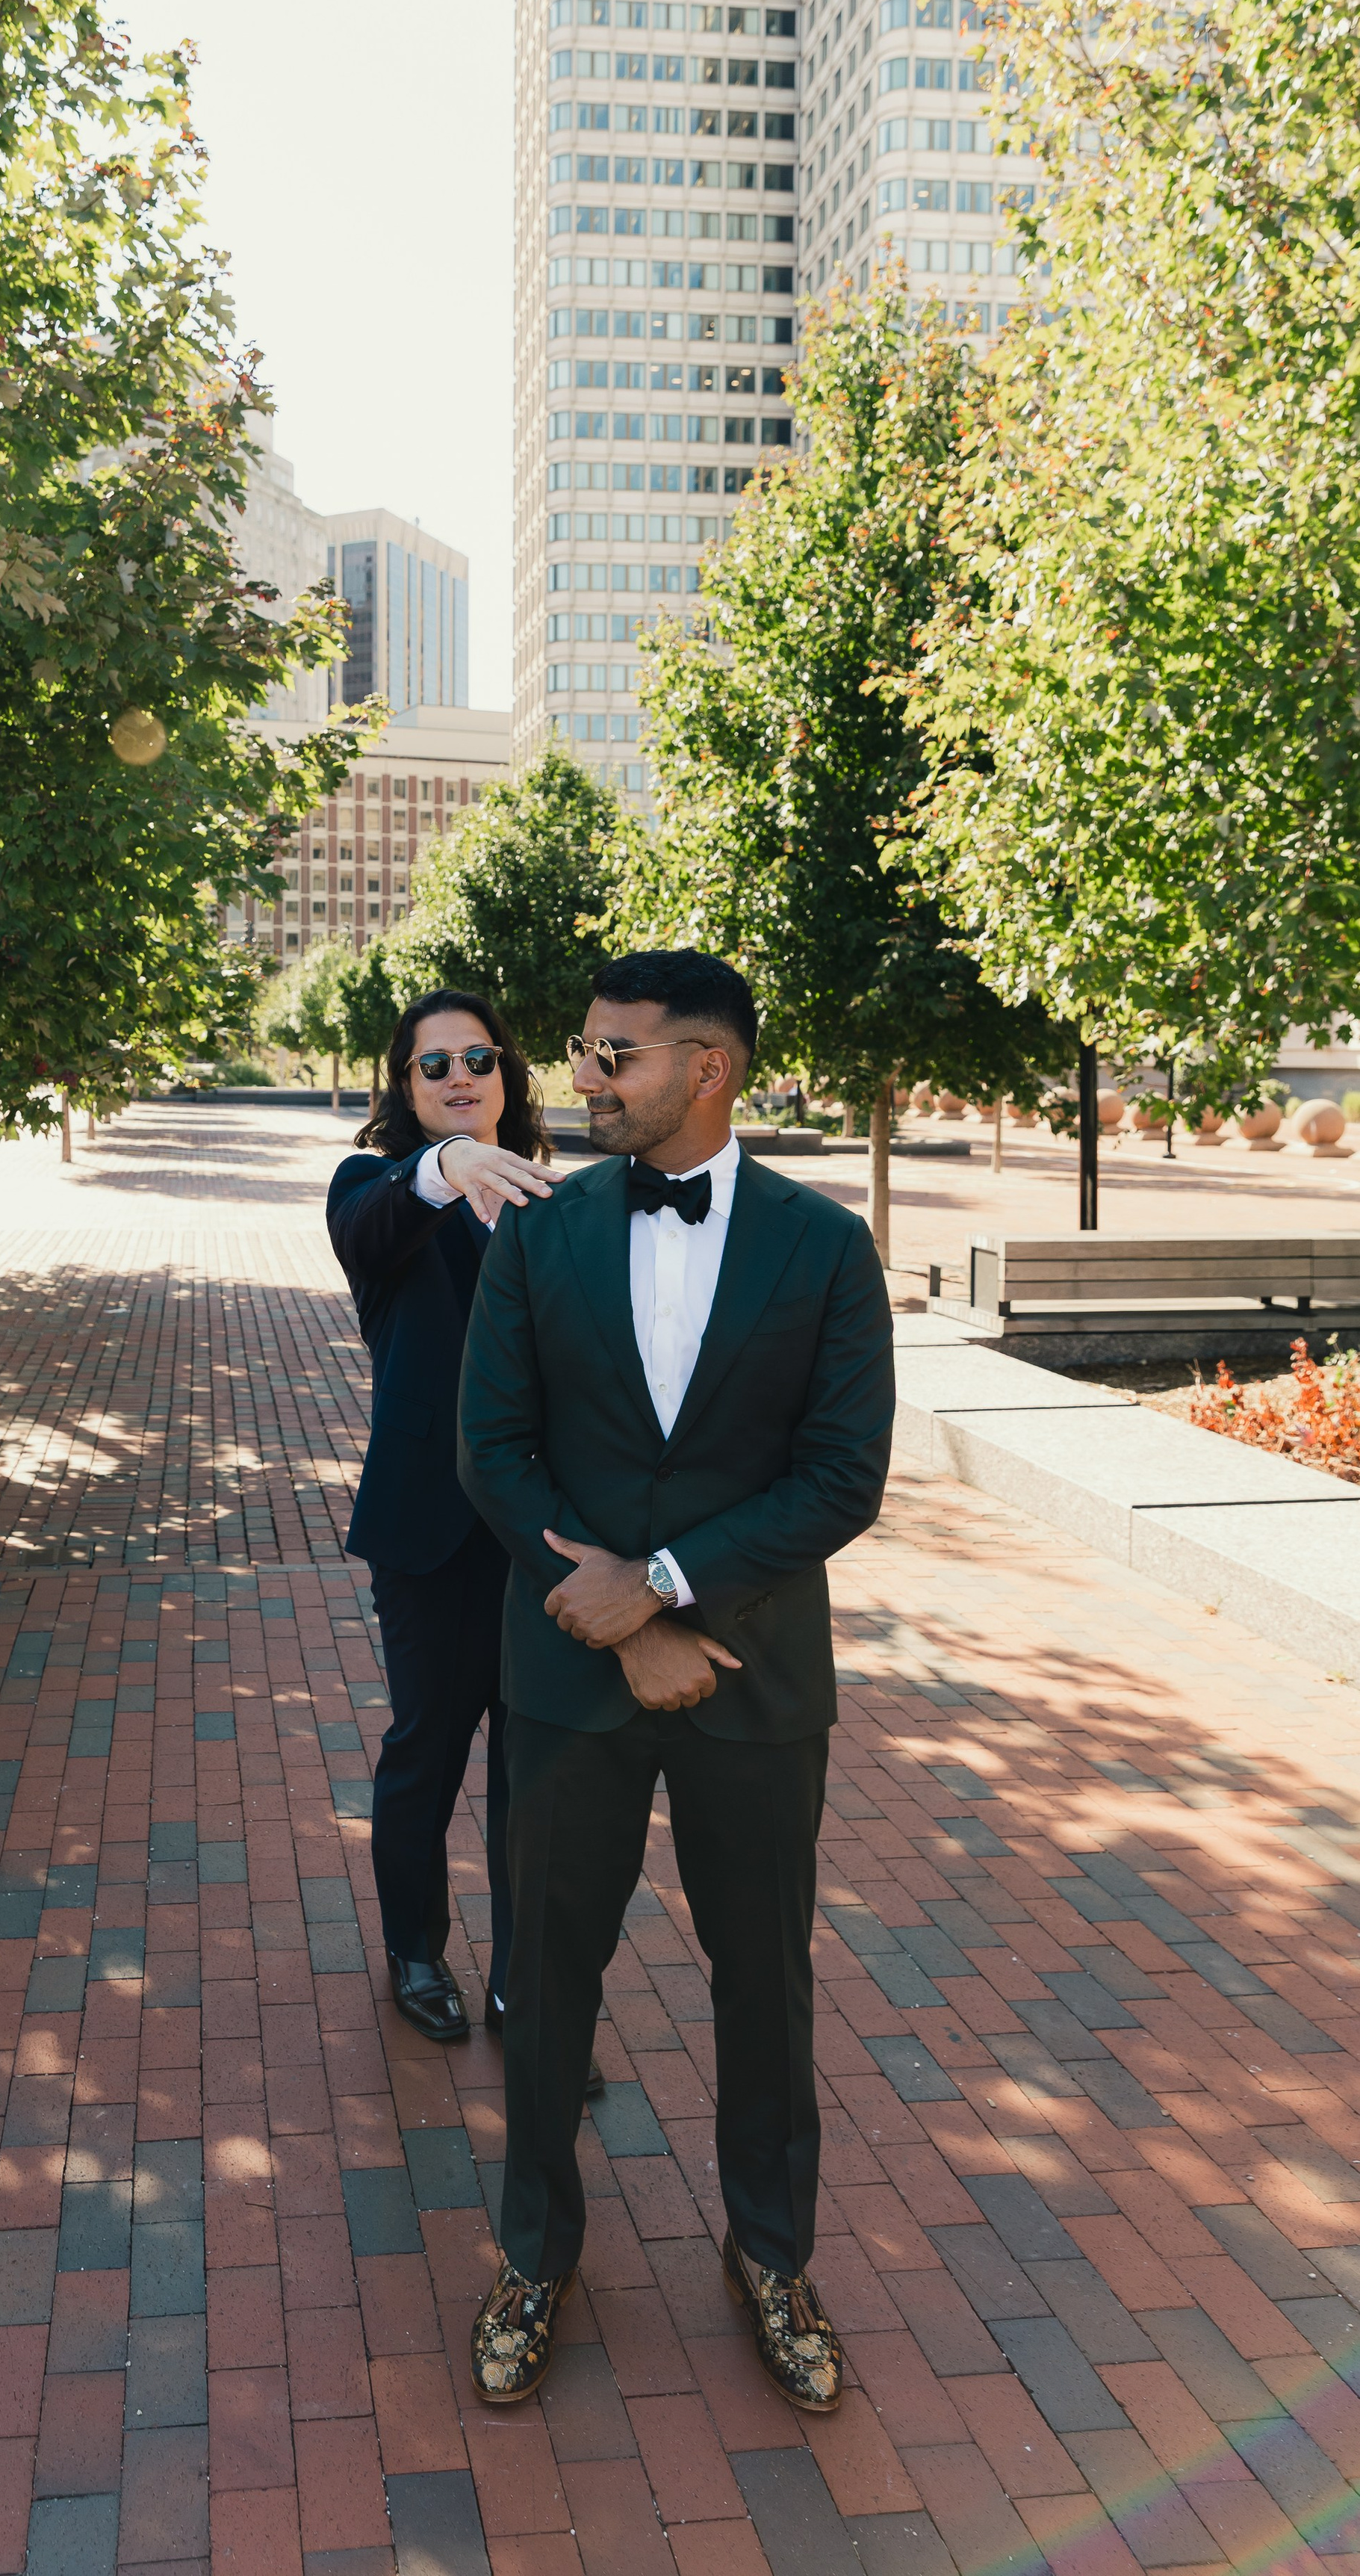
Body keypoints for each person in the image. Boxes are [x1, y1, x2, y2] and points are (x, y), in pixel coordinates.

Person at [456, 949, 894, 2416]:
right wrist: (619, 1618)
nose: (579, 1078)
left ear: (703, 1069)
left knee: (761, 1986)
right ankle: (533, 2256)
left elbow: (839, 1478)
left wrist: (662, 1586)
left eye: (610, 1057)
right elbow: (491, 1449)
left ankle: (770, 2258)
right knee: (547, 1984)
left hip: (752, 1680)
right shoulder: (536, 1233)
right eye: (579, 1051)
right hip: (567, 1677)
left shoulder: (822, 1248)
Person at [326, 990, 555, 2041]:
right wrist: (447, 1167)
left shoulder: (563, 1203)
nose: (460, 1078)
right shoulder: (372, 1187)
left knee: (535, 1764)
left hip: (547, 1538)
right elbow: (375, 1232)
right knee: (428, 1748)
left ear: (507, 1073)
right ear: (405, 1087)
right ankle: (416, 1953)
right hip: (428, 1530)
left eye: (478, 1058)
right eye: (434, 1067)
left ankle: (525, 1977)